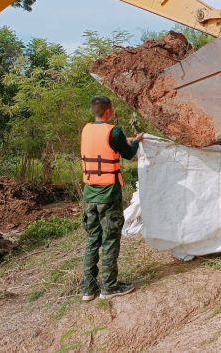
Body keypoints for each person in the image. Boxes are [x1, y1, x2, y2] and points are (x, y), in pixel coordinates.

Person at [80, 96, 144, 302]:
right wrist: (137, 142)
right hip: (109, 194)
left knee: (92, 240)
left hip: (90, 194)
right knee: (109, 239)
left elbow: (103, 148)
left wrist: (125, 141)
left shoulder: (87, 129)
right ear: (108, 110)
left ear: (94, 111)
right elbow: (128, 154)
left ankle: (88, 288)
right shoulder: (114, 131)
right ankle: (109, 286)